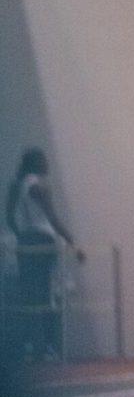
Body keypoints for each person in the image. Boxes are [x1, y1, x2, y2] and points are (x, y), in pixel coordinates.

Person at [5, 149, 83, 360]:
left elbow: (10, 217)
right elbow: (53, 219)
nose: (47, 163)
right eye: (43, 159)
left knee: (30, 296)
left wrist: (21, 235)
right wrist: (72, 241)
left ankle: (35, 346)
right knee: (45, 294)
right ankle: (46, 347)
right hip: (44, 241)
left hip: (26, 242)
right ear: (36, 163)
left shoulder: (16, 185)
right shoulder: (39, 187)